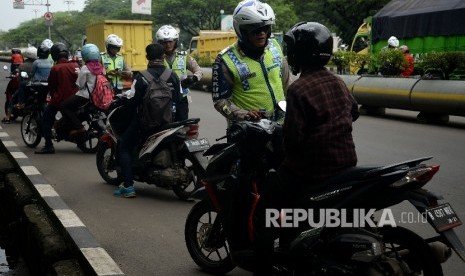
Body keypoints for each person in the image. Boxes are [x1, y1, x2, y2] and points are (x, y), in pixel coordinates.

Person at [253, 22, 360, 275]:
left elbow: (293, 141)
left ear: (298, 54)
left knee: (264, 212)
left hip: (311, 168)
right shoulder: (338, 81)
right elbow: (353, 112)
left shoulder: (298, 89)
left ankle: (264, 267)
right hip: (346, 164)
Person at [113, 43, 182, 198]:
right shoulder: (172, 76)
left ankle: (128, 186)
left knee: (124, 146)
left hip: (145, 124)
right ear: (163, 56)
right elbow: (178, 98)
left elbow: (131, 102)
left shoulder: (141, 77)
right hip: (168, 122)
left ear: (147, 57)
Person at [212, 0, 289, 125]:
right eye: (255, 29)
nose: (262, 33)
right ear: (241, 30)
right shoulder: (225, 60)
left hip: (281, 126)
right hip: (249, 131)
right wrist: (244, 114)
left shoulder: (275, 47)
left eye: (265, 27)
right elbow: (220, 102)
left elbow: (286, 83)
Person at [35, 43, 79, 154]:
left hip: (59, 99)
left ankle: (48, 145)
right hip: (75, 99)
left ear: (54, 55)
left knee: (46, 119)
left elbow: (51, 85)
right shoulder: (75, 66)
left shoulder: (56, 68)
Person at [155, 25, 203, 121]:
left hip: (181, 97)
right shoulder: (156, 58)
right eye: (164, 42)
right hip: (163, 98)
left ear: (175, 41)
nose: (168, 45)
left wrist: (193, 79)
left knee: (182, 126)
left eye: (170, 41)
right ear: (159, 43)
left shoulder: (184, 56)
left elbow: (199, 71)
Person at [60, 43, 104, 137]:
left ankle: (78, 127)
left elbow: (79, 85)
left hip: (85, 96)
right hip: (97, 96)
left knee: (64, 106)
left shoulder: (85, 68)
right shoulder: (101, 67)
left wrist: (79, 74)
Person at [2, 46, 37, 124]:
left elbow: (19, 78)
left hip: (26, 86)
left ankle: (8, 117)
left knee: (12, 99)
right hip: (37, 86)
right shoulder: (37, 64)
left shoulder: (23, 65)